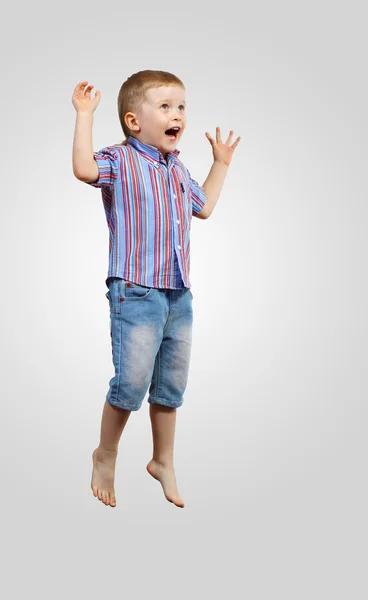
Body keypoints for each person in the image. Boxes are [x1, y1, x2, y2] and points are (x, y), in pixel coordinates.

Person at [71, 70, 240, 508]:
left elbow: (203, 207)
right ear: (133, 121)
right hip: (136, 292)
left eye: (181, 107)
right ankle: (105, 454)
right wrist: (84, 115)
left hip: (178, 294)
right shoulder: (120, 159)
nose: (177, 115)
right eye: (165, 107)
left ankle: (163, 460)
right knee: (130, 383)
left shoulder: (178, 168)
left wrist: (220, 163)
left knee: (170, 386)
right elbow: (84, 169)